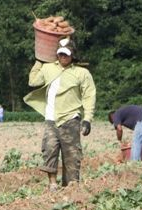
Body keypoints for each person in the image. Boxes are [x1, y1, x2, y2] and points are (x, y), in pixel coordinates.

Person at [23, 38, 96, 191]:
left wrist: (87, 119)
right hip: (51, 119)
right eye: (60, 54)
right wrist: (39, 61)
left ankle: (71, 187)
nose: (63, 57)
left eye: (66, 54)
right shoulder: (49, 68)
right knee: (50, 150)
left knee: (72, 155)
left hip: (70, 119)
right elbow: (33, 81)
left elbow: (89, 96)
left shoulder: (82, 73)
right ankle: (52, 184)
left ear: (73, 55)